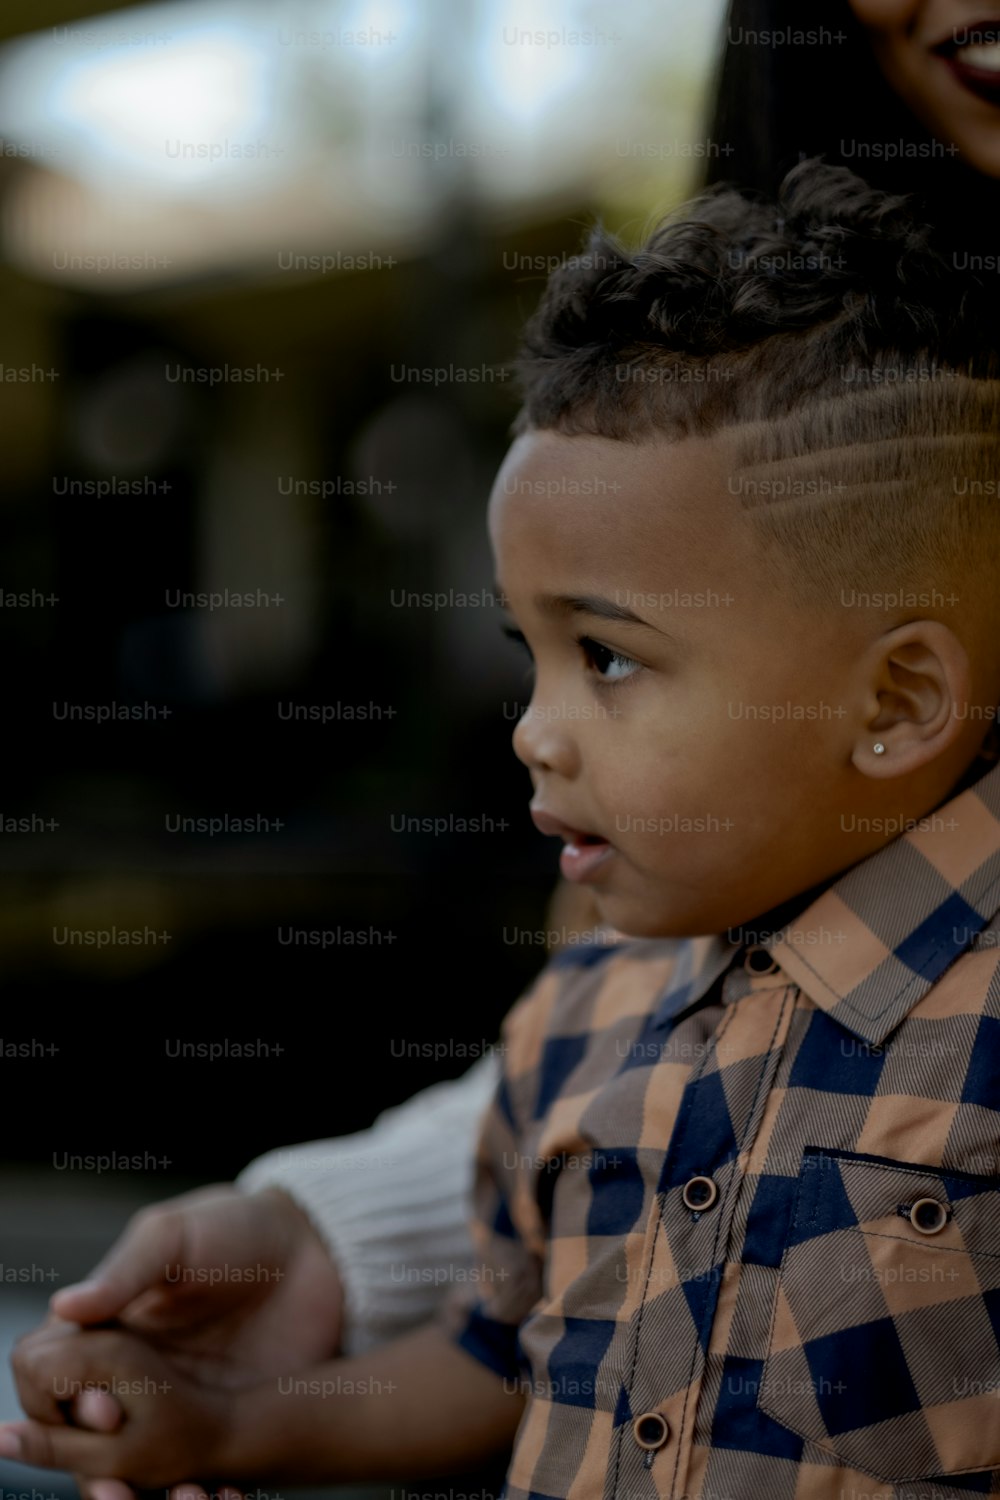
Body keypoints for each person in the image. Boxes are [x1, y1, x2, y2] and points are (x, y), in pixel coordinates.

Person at [12, 4, 1000, 1496]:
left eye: (608, 659)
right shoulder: (585, 1008)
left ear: (895, 703)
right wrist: (241, 1414)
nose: (534, 730)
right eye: (524, 654)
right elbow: (502, 1345)